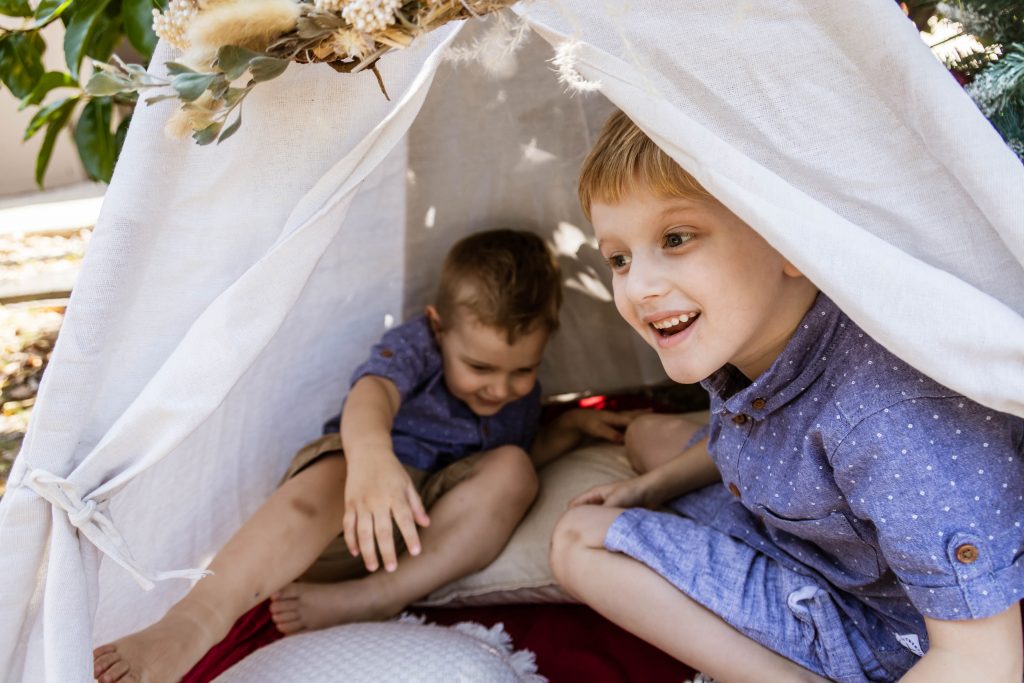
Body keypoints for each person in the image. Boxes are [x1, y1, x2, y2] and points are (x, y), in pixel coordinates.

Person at [549, 111, 1024, 683]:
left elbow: (985, 661)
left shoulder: (889, 420)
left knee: (578, 541)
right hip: (817, 544)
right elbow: (770, 438)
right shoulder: (761, 338)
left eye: (676, 239)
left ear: (788, 238)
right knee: (647, 437)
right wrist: (648, 489)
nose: (640, 287)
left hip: (889, 630)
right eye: (620, 259)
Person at [94, 228, 636, 683]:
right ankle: (195, 620)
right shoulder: (420, 346)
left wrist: (569, 429)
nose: (499, 388)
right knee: (332, 475)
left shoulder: (520, 398)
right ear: (438, 327)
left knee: (514, 470)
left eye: (522, 370)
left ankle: (376, 596)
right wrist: (373, 460)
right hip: (352, 511)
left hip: (421, 535)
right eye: (480, 367)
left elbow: (511, 466)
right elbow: (373, 391)